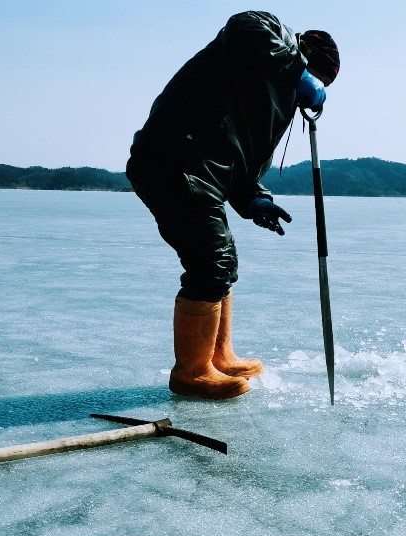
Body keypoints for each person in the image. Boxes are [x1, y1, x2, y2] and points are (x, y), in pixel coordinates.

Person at [127, 12, 340, 400]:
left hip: (199, 171)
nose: (307, 95)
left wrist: (254, 198)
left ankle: (218, 357)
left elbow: (240, 157)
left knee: (223, 262)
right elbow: (242, 28)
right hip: (173, 161)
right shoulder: (271, 36)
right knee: (210, 262)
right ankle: (192, 372)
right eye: (317, 82)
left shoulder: (275, 101)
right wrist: (298, 71)